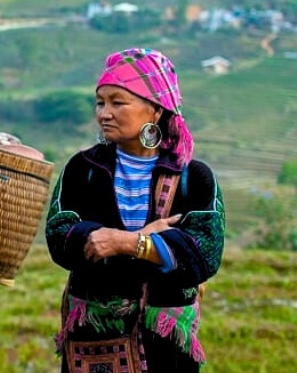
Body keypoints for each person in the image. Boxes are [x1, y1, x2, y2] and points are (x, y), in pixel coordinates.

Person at [45, 48, 225, 373]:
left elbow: (204, 254)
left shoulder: (193, 176)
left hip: (164, 345)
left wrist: (124, 243)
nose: (104, 113)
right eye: (100, 103)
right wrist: (149, 243)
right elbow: (60, 235)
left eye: (117, 103)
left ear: (155, 110)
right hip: (93, 336)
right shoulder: (82, 169)